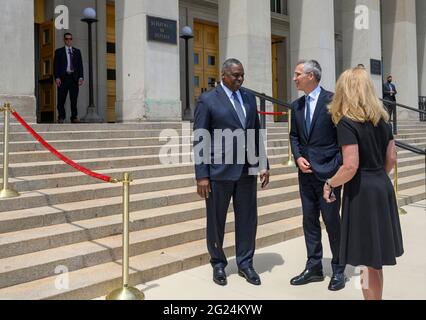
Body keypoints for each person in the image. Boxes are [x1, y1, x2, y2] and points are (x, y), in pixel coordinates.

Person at [324, 68, 404, 300]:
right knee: (373, 260)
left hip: (362, 193)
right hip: (381, 185)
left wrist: (330, 183)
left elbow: (350, 166)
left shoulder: (347, 123)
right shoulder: (383, 122)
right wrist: (377, 176)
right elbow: (391, 159)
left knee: (366, 259)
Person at [193, 58, 270, 286]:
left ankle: (246, 263)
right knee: (216, 221)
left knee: (247, 219)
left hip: (247, 171)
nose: (240, 79)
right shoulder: (207, 100)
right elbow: (200, 139)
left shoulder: (248, 97)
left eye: (242, 75)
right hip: (219, 172)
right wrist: (202, 175)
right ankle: (218, 263)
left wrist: (263, 163)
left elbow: (255, 132)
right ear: (224, 75)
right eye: (235, 75)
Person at [289, 59, 347, 291]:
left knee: (332, 222)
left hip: (329, 176)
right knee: (309, 221)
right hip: (305, 175)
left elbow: (345, 139)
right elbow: (294, 136)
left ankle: (339, 269)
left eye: (298, 74)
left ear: (311, 76)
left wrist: (335, 168)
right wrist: (297, 157)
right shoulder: (296, 105)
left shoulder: (334, 101)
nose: (294, 78)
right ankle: (314, 267)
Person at [54, 32, 84, 123]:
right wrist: (57, 77)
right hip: (63, 78)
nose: (68, 40)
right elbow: (56, 66)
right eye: (66, 39)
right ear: (64, 40)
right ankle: (61, 117)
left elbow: (80, 66)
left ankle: (74, 117)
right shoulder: (59, 51)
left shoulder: (77, 52)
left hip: (74, 78)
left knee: (74, 99)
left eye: (70, 39)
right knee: (61, 99)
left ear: (72, 40)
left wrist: (81, 77)